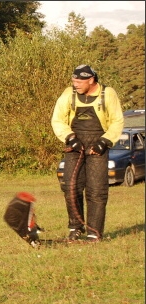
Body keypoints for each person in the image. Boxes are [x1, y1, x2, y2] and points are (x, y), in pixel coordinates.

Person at [51, 65, 124, 243]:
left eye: (79, 81)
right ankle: (76, 227)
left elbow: (117, 120)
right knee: (70, 186)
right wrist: (69, 137)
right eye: (73, 81)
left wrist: (104, 141)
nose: (75, 84)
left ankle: (94, 232)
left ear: (91, 80)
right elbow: (57, 119)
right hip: (75, 145)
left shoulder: (108, 94)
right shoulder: (69, 94)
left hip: (98, 144)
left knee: (96, 190)